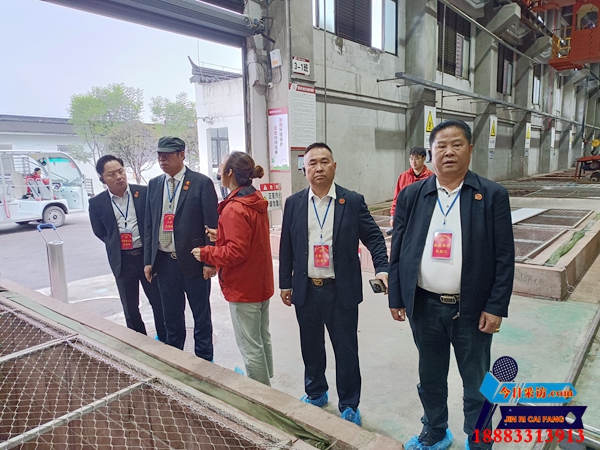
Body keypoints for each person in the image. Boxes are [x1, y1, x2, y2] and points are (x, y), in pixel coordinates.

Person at [388, 120, 514, 450]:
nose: (448, 152)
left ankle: (480, 439)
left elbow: (504, 257)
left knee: (477, 381)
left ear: (470, 150)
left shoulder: (491, 195)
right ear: (431, 153)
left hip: (472, 309)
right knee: (430, 376)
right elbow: (398, 249)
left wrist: (496, 306)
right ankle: (435, 429)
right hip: (424, 306)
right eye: (441, 146)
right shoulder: (413, 195)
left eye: (457, 144)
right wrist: (396, 297)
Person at [279, 142, 389, 426]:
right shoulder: (294, 203)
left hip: (341, 291)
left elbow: (374, 237)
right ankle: (316, 392)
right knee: (311, 346)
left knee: (346, 349)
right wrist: (285, 283)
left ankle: (349, 404)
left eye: (324, 161)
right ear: (304, 169)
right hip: (306, 289)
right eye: (312, 163)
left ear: (334, 166)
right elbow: (287, 246)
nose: (319, 167)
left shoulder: (351, 201)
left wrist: (382, 268)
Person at [192, 151, 274, 386]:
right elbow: (249, 238)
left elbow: (236, 252)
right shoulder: (255, 199)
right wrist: (221, 235)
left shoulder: (234, 208)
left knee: (250, 345)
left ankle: (261, 393)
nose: (219, 171)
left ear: (229, 173)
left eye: (221, 167)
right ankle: (267, 383)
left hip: (243, 287)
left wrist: (206, 253)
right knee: (261, 337)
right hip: (260, 282)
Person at [144, 136, 219, 361]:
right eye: (160, 155)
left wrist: (210, 261)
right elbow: (149, 224)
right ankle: (175, 359)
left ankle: (204, 361)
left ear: (182, 155)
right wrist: (149, 260)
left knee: (201, 316)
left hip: (194, 262)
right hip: (165, 263)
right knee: (171, 317)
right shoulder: (154, 184)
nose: (162, 159)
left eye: (168, 155)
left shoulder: (201, 183)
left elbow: (211, 224)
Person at [89, 155, 166, 341]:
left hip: (146, 257)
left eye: (121, 171)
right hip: (122, 260)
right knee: (130, 308)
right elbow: (100, 231)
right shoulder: (97, 203)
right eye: (111, 174)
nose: (119, 177)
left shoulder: (143, 193)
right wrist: (116, 244)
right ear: (102, 178)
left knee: (159, 302)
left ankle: (165, 341)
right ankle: (140, 343)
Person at [389, 147, 434, 228]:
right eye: (411, 158)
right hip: (406, 215)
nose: (413, 161)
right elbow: (397, 198)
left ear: (424, 158)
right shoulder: (403, 177)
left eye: (417, 158)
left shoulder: (431, 177)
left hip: (424, 216)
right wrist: (393, 216)